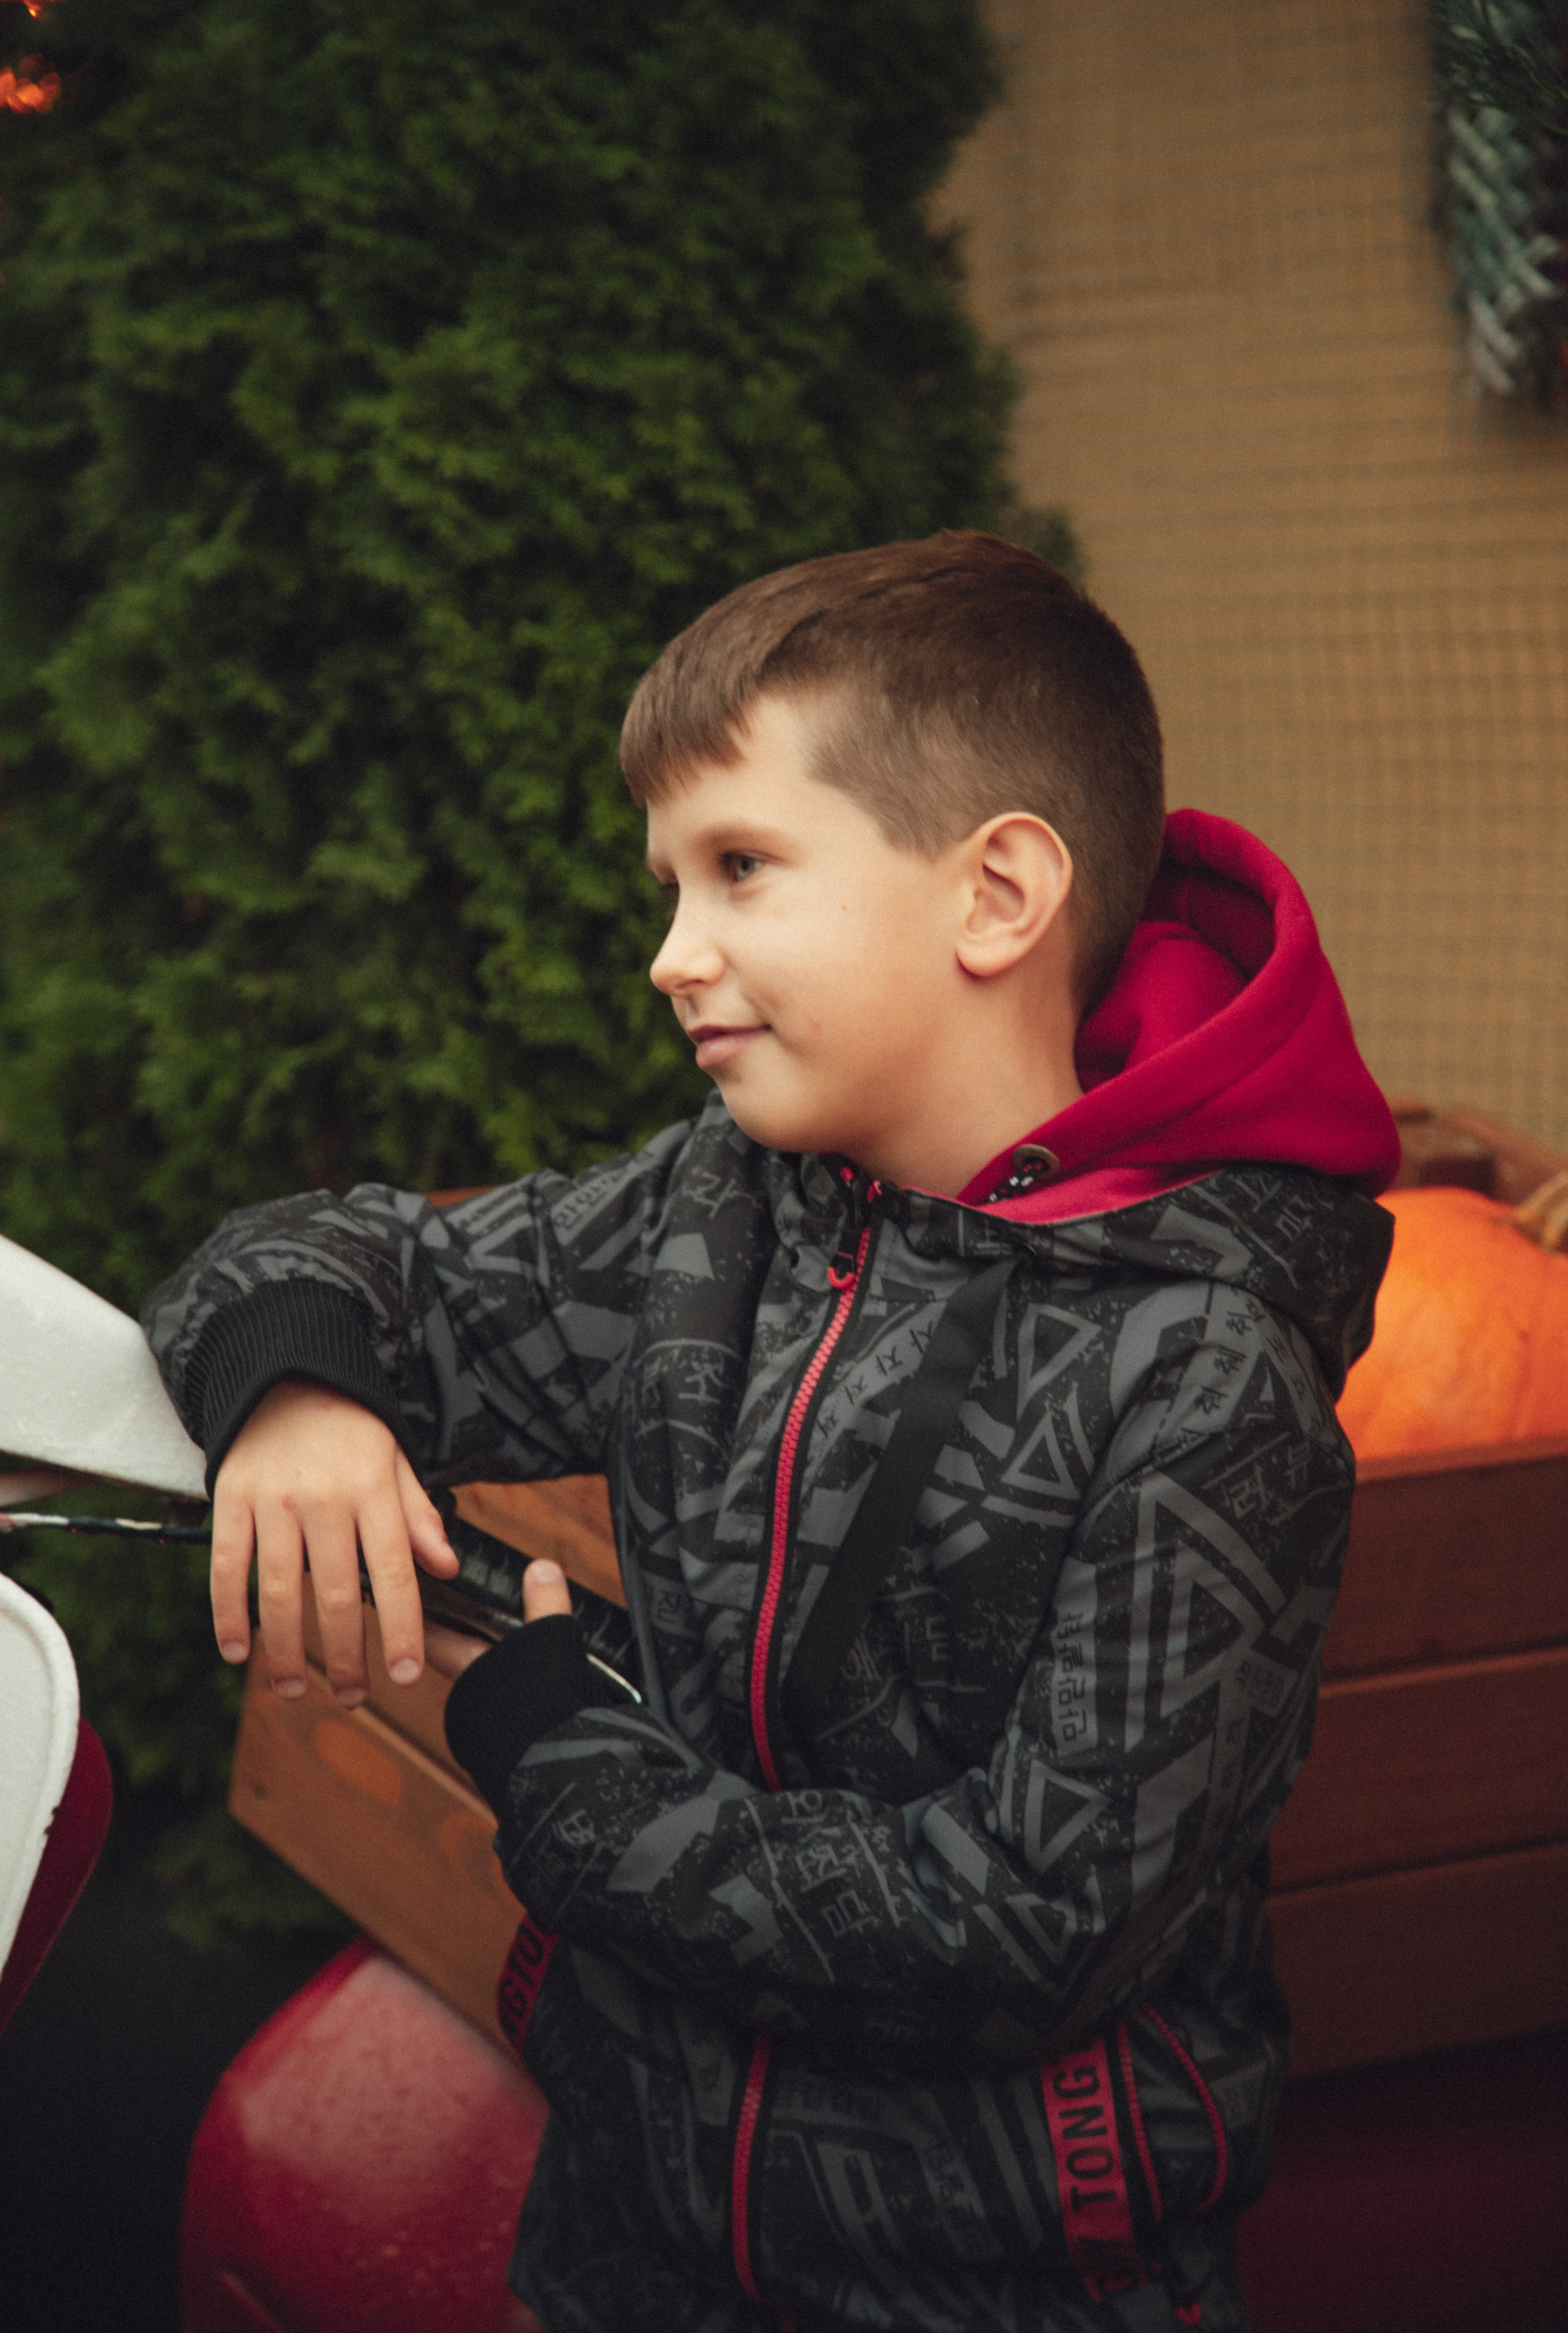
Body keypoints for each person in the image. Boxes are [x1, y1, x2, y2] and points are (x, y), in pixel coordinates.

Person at [143, 532, 1399, 2333]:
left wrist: (570, 1767)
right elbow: (335, 1256)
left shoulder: (1204, 1381)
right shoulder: (718, 1220)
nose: (674, 954)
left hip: (997, 2289)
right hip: (625, 2237)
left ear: (997, 896)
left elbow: (1022, 1925)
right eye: (670, 884)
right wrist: (301, 1391)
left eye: (741, 869)